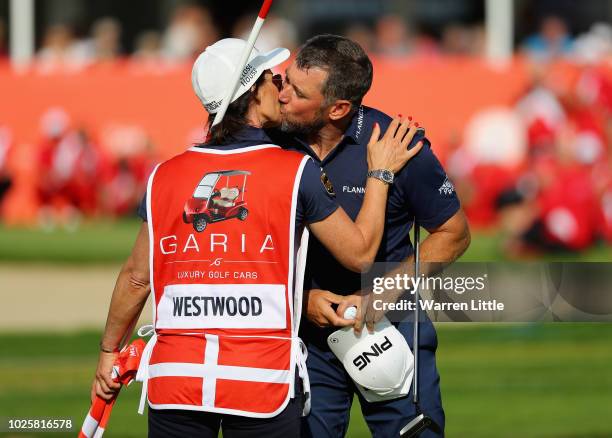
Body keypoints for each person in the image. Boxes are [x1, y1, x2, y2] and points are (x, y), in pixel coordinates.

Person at [90, 38, 423, 438]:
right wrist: (380, 174)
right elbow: (361, 252)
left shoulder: (164, 174)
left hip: (175, 379)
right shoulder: (296, 170)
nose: (280, 89)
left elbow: (136, 279)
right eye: (271, 78)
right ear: (251, 94)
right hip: (260, 381)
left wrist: (110, 351)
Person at [273, 35, 471, 437]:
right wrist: (302, 299)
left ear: (339, 108)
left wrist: (382, 294)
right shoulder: (270, 141)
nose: (282, 95)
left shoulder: (399, 145)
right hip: (304, 335)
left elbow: (454, 233)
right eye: (285, 80)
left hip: (390, 328)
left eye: (297, 91)